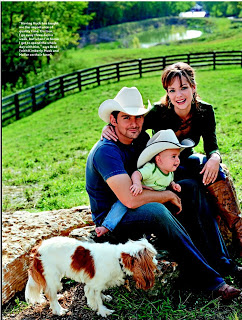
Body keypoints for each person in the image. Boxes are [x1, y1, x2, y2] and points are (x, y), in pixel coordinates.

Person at [86, 86, 241, 300]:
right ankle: (211, 283)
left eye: (138, 117)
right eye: (126, 118)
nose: (134, 123)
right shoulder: (106, 151)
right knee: (157, 211)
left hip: (142, 198)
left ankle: (220, 262)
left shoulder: (138, 140)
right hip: (115, 218)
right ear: (113, 121)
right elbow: (130, 199)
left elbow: (158, 167)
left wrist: (173, 187)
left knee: (190, 187)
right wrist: (166, 196)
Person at [101, 62, 242, 257]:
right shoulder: (159, 111)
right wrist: (110, 127)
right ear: (167, 92)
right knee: (191, 186)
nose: (179, 95)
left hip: (184, 161)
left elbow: (211, 144)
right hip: (162, 169)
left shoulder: (205, 111)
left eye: (184, 88)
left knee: (216, 171)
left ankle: (239, 232)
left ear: (193, 87)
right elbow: (134, 125)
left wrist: (215, 157)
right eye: (172, 90)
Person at [96, 129, 194, 237]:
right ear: (159, 160)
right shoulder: (151, 168)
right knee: (121, 206)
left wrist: (173, 185)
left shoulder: (169, 171)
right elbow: (136, 174)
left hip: (153, 198)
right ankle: (106, 226)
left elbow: (169, 180)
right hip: (140, 194)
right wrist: (137, 184)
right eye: (173, 156)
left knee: (160, 210)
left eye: (178, 156)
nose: (177, 160)